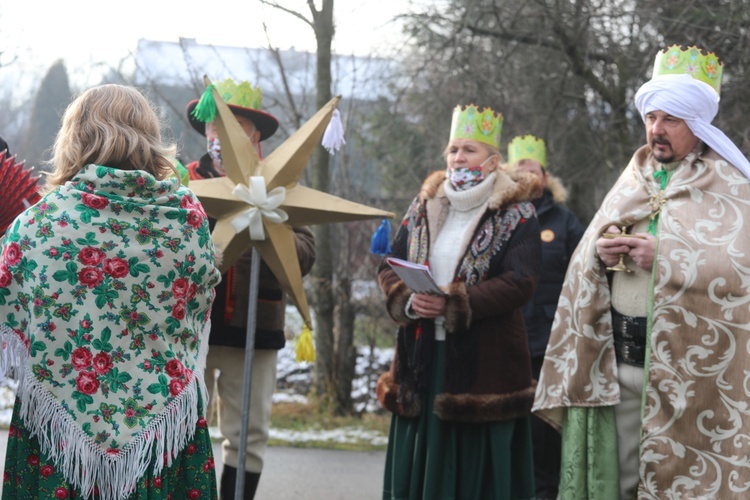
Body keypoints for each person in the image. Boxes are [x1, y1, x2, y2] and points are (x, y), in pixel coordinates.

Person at [533, 44, 750, 499]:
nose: (656, 129)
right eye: (651, 118)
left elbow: (740, 272)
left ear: (699, 123)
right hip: (618, 364)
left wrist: (666, 257)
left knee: (678, 483)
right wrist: (600, 253)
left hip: (691, 379)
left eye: (670, 119)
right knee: (619, 481)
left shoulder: (732, 185)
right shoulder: (633, 178)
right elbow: (583, 263)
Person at [0, 84, 221, 499]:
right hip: (161, 444)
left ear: (74, 138)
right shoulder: (188, 219)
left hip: (58, 448)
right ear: (150, 138)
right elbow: (197, 308)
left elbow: (7, 317)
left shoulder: (37, 225)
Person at [376, 104, 542, 499]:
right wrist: (410, 301)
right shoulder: (423, 205)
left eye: (469, 149)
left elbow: (522, 281)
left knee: (472, 477)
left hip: (485, 366)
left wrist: (454, 303)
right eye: (453, 150)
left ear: (492, 159)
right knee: (419, 471)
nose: (458, 158)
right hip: (421, 361)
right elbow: (389, 266)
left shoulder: (517, 212)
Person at [185, 79, 316, 499]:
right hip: (194, 328)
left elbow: (306, 254)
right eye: (212, 127)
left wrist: (268, 224)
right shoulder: (184, 182)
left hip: (255, 324)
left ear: (254, 134)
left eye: (232, 126)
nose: (218, 136)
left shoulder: (282, 183)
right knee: (185, 424)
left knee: (248, 433)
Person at [508, 134, 584, 499]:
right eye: (517, 169)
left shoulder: (565, 221)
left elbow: (585, 275)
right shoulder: (498, 216)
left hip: (549, 345)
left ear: (545, 175)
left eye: (531, 168)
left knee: (542, 438)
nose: (525, 175)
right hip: (503, 342)